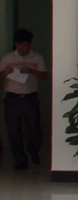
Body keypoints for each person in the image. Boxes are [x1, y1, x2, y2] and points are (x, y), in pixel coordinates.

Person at [0, 29, 47, 170]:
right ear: (15, 44)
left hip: (30, 98)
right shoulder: (8, 58)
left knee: (35, 129)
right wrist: (5, 72)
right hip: (12, 99)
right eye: (19, 45)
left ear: (30, 44)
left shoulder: (37, 58)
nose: (22, 48)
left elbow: (44, 76)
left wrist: (31, 71)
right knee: (13, 131)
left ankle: (33, 150)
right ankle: (21, 160)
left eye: (25, 45)